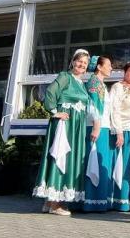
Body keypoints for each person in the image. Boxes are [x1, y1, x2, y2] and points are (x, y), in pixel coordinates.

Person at [33, 48, 90, 216]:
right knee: (61, 156)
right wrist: (54, 112)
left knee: (66, 158)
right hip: (65, 125)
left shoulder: (81, 83)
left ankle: (49, 201)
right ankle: (55, 205)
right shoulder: (66, 77)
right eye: (79, 61)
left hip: (75, 126)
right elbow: (51, 92)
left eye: (85, 63)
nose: (81, 65)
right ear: (73, 61)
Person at [108, 61, 130, 211]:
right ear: (125, 72)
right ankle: (114, 200)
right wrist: (119, 132)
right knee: (119, 165)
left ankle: (125, 199)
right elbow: (114, 109)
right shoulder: (117, 87)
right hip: (121, 131)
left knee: (128, 167)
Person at [84, 55, 114, 212]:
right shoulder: (94, 82)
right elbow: (93, 105)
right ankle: (91, 201)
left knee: (100, 162)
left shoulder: (100, 83)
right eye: (108, 65)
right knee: (94, 160)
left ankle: (98, 200)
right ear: (99, 67)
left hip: (103, 127)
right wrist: (96, 126)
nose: (111, 68)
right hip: (97, 127)